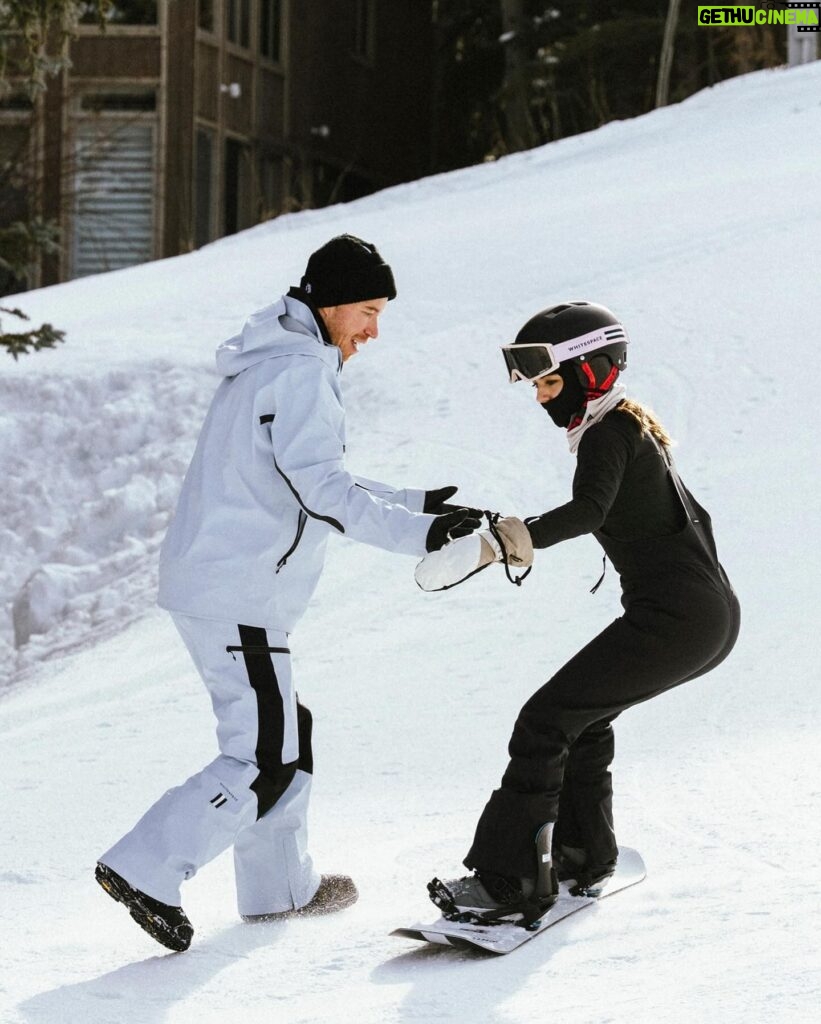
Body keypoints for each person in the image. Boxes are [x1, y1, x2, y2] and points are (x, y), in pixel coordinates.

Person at [95, 234, 480, 952]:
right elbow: (324, 491)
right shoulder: (299, 371)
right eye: (367, 310)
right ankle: (145, 866)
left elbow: (309, 477)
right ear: (331, 302)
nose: (373, 329)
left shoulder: (273, 361)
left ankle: (279, 889)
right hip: (237, 590)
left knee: (284, 731)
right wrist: (426, 538)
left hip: (224, 583)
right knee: (264, 753)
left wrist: (419, 506)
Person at [419, 300, 740, 928]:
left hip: (678, 620)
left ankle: (507, 880)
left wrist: (507, 541)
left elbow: (590, 510)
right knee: (582, 720)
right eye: (535, 384)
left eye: (549, 380)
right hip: (698, 617)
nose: (541, 397)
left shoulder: (608, 433)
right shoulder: (630, 428)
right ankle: (582, 854)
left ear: (590, 370)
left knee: (544, 720)